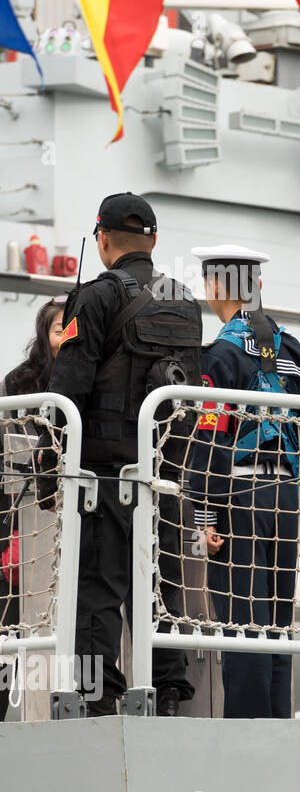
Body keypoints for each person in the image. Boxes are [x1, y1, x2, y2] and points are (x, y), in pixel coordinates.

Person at [43, 193, 202, 716]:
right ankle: (170, 696)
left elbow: (65, 396)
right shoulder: (184, 300)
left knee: (98, 588)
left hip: (103, 477)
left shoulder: (94, 298)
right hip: (162, 477)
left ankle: (97, 701)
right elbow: (190, 397)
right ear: (153, 242)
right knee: (160, 588)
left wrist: (52, 476)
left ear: (103, 240)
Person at [186, 245, 300, 719]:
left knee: (243, 621)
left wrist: (204, 515)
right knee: (277, 625)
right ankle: (276, 726)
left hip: (238, 497)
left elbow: (211, 435)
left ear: (214, 288)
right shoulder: (292, 347)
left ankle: (245, 733)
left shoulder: (221, 353)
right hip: (286, 498)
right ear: (257, 286)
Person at [0, 298, 66, 720]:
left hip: (71, 515)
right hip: (24, 514)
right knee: (12, 625)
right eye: (59, 329)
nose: (66, 337)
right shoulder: (20, 383)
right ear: (44, 334)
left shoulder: (97, 377)